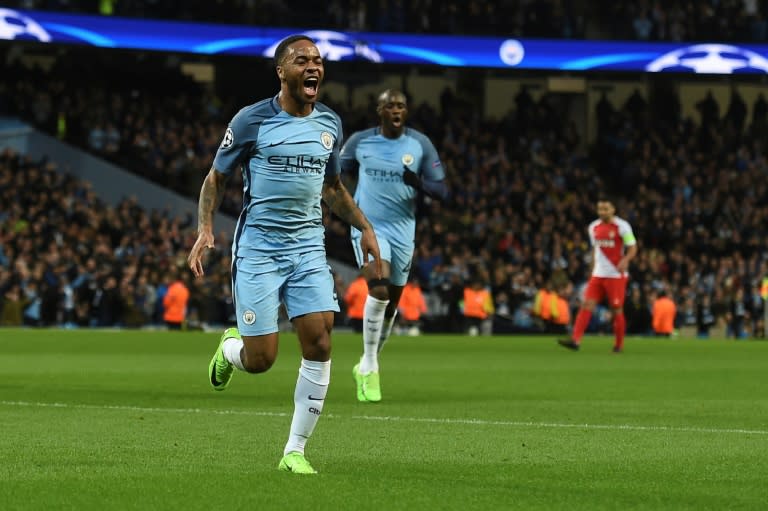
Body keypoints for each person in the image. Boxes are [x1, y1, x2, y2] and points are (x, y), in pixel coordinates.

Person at [187, 35, 382, 475]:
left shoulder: (330, 124)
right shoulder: (252, 120)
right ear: (282, 71)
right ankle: (231, 349)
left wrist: (365, 227)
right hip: (258, 247)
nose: (313, 67)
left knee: (321, 340)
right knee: (262, 360)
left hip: (308, 246)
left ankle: (295, 450)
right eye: (301, 60)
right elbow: (216, 177)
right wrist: (204, 229)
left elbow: (332, 189)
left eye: (317, 60)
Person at [339, 88, 447, 402]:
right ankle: (371, 367)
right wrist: (349, 209)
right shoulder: (360, 141)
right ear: (380, 111)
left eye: (401, 105)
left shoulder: (420, 144)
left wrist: (420, 184)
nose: (396, 110)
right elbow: (336, 174)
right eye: (390, 106)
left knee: (391, 307)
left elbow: (443, 192)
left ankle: (365, 362)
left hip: (403, 230)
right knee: (379, 290)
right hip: (369, 227)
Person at [558, 195, 637, 352]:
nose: (602, 212)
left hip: (615, 275)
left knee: (616, 309)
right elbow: (595, 250)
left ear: (613, 209)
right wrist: (592, 270)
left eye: (606, 209)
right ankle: (575, 340)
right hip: (598, 274)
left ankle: (619, 345)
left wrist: (626, 259)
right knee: (586, 304)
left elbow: (633, 247)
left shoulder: (622, 227)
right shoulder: (593, 227)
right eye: (600, 208)